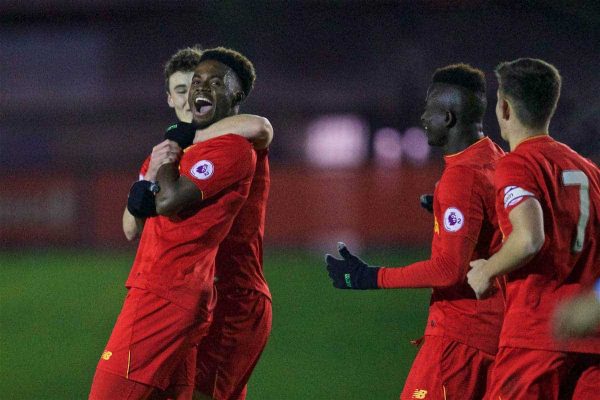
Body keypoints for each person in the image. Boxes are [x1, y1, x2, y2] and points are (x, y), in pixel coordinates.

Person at [89, 47, 260, 400]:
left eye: (202, 85)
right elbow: (130, 225)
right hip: (167, 290)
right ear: (169, 98)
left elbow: (260, 126)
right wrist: (150, 174)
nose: (192, 96)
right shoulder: (169, 152)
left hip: (172, 291)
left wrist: (173, 152)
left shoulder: (228, 146)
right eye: (184, 89)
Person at [325, 64, 505, 399]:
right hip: (493, 334)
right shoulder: (494, 158)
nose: (423, 118)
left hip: (461, 340)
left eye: (430, 110)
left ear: (448, 118)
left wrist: (370, 276)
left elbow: (448, 270)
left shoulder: (461, 177)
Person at [467, 58, 600, 399]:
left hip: (537, 338)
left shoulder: (518, 164)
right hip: (591, 342)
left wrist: (487, 270)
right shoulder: (589, 171)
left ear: (505, 108)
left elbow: (529, 238)